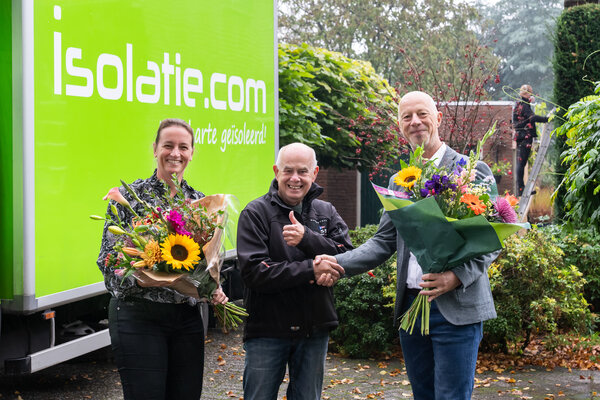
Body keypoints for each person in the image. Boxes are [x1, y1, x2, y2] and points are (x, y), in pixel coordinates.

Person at [316, 91, 499, 400]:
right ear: (400, 126)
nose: (415, 122)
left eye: (422, 114)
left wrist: (454, 277)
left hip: (457, 309)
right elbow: (384, 241)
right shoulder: (399, 181)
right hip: (413, 308)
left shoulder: (471, 170)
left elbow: (490, 240)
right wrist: (338, 263)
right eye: (407, 117)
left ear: (438, 118)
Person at [97, 118, 228, 400]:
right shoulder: (130, 199)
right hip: (138, 317)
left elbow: (210, 264)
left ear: (192, 152)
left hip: (187, 319)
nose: (175, 153)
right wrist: (146, 277)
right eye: (168, 145)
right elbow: (108, 265)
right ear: (155, 148)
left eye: (183, 147)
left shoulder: (202, 204)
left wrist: (213, 288)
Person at [237, 142, 351, 400]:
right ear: (276, 171)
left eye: (303, 171)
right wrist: (312, 268)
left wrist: (307, 239)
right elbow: (255, 272)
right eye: (288, 171)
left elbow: (346, 254)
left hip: (314, 329)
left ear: (315, 173)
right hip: (267, 330)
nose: (295, 178)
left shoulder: (326, 212)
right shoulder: (255, 213)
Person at [513, 84, 549, 196]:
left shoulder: (519, 103)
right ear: (527, 93)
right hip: (525, 136)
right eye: (531, 93)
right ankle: (521, 189)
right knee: (521, 163)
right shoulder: (524, 105)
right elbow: (532, 118)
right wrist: (547, 119)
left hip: (520, 135)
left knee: (521, 163)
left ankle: (521, 188)